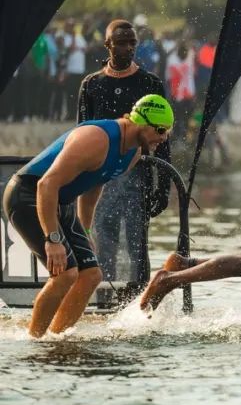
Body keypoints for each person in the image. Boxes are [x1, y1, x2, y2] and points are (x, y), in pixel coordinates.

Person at [3, 95, 173, 336]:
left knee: (91, 275)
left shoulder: (133, 152)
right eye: (160, 130)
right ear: (141, 123)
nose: (163, 138)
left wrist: (85, 229)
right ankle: (35, 341)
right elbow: (46, 185)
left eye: (167, 133)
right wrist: (52, 239)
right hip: (28, 195)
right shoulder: (96, 138)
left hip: (60, 201)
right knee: (65, 275)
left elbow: (94, 184)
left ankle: (58, 339)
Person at [76, 20, 173, 299]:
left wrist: (163, 188)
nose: (128, 48)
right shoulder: (92, 84)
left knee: (136, 246)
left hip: (138, 178)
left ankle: (138, 304)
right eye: (121, 43)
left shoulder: (150, 83)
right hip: (100, 179)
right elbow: (80, 136)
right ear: (108, 45)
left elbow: (163, 138)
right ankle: (103, 301)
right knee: (102, 243)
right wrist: (78, 183)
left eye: (132, 43)